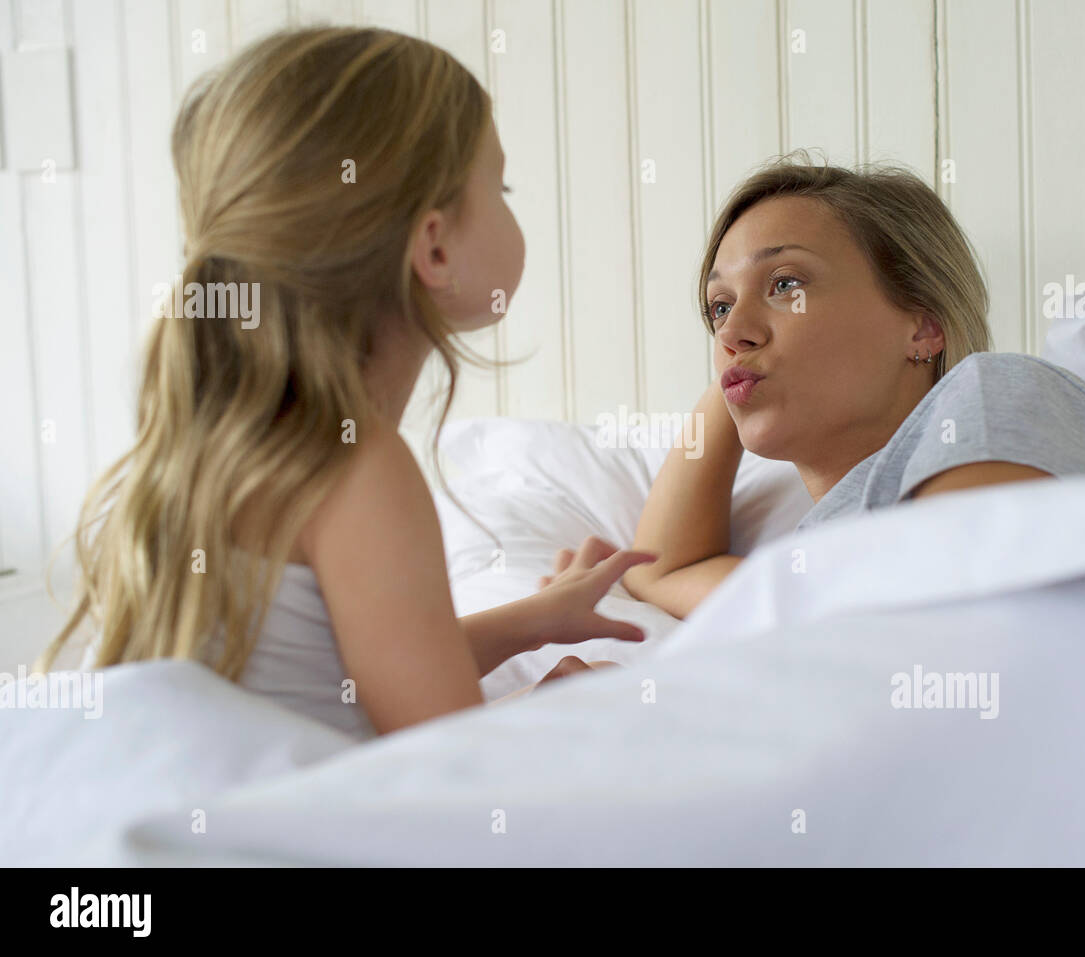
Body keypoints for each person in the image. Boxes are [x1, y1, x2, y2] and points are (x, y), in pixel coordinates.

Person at [38, 27, 652, 738]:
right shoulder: (359, 470)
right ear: (435, 247)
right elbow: (437, 766)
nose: (512, 202)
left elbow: (352, 670)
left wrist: (533, 622)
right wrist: (556, 708)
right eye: (501, 183)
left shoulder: (234, 444)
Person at [621, 159, 1085, 619]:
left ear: (922, 327)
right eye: (719, 307)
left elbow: (969, 618)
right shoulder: (816, 556)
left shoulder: (992, 389)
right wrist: (741, 366)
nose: (729, 331)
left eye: (786, 284)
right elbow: (661, 570)